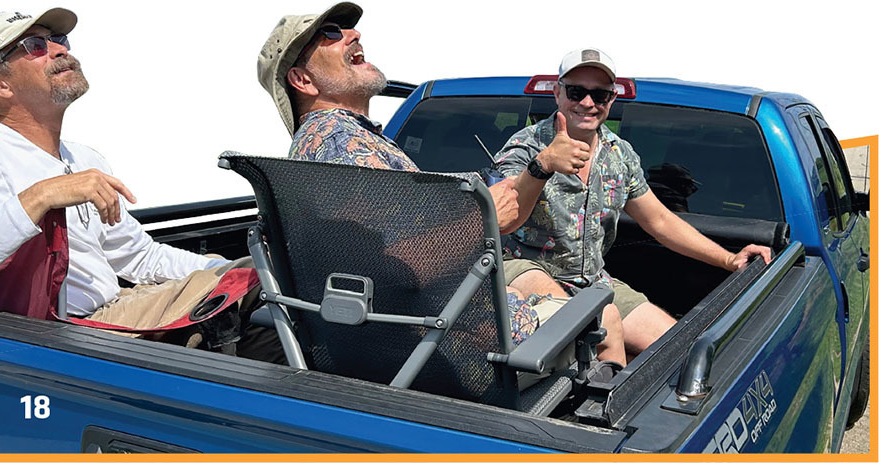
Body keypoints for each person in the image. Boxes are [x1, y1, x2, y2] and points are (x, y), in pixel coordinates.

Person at [254, 2, 627, 365]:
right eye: (330, 34)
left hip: (449, 329)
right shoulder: (339, 143)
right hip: (471, 352)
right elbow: (386, 274)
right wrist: (482, 221)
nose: (354, 33)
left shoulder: (345, 140)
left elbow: (386, 251)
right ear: (302, 80)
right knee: (606, 318)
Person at [0, 8, 281, 362]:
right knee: (272, 281)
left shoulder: (84, 158)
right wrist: (40, 195)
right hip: (73, 333)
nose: (59, 49)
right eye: (34, 45)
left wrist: (217, 270)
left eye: (59, 39)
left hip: (121, 308)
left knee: (264, 290)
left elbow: (138, 256)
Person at [494, 47, 773, 357]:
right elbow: (505, 219)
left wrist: (728, 260)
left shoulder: (619, 154)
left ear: (611, 101)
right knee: (585, 333)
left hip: (591, 282)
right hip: (526, 270)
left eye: (599, 96)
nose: (587, 103)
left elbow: (660, 221)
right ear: (558, 93)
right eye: (576, 92)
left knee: (679, 349)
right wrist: (543, 164)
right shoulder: (526, 146)